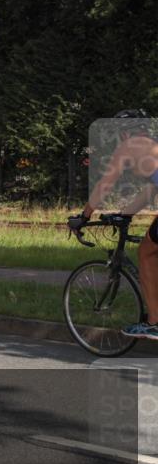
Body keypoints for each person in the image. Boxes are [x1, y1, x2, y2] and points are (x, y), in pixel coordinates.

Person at [69, 109, 158, 339]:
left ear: (122, 133)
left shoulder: (127, 148)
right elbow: (150, 192)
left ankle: (155, 323)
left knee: (146, 252)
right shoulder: (151, 146)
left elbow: (105, 184)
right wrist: (126, 214)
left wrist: (85, 216)